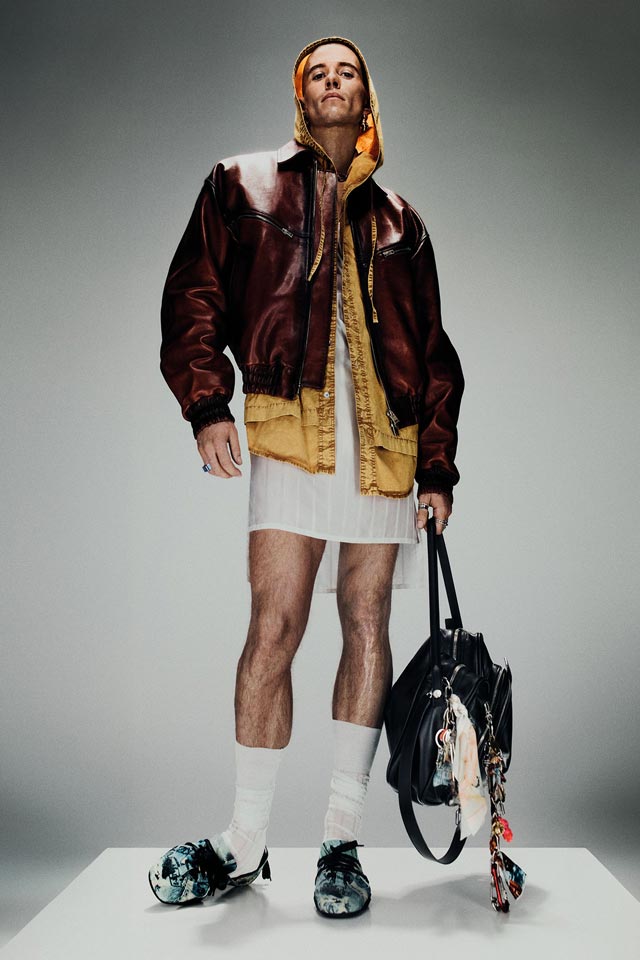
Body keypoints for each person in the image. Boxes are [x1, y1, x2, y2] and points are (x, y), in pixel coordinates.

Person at [149, 35, 464, 918]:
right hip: (291, 432)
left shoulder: (402, 221)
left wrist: (437, 467)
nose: (333, 79)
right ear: (301, 94)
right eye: (317, 70)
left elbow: (434, 351)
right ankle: (244, 844)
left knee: (367, 624)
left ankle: (340, 841)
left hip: (386, 446)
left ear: (367, 97)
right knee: (274, 628)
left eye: (347, 70)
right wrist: (207, 405)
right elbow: (193, 295)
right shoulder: (241, 184)